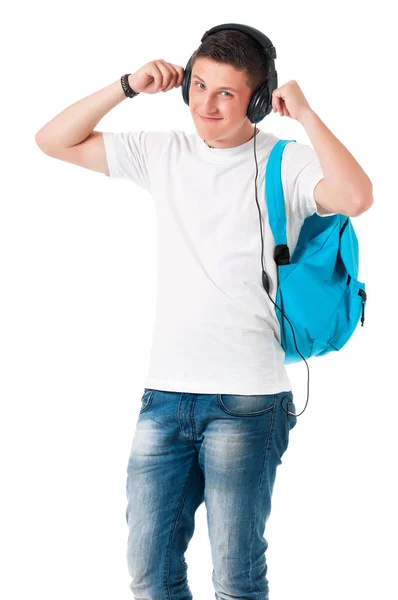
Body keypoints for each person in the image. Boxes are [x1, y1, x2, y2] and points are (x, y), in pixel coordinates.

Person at [35, 27, 373, 600]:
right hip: (163, 396)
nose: (205, 104)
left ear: (259, 101)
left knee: (235, 579)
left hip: (247, 401)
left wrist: (308, 115)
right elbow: (52, 141)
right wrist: (126, 86)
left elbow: (356, 197)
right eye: (198, 85)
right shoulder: (162, 151)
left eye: (226, 94)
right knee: (149, 574)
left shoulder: (284, 162)